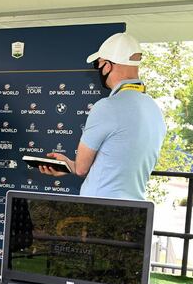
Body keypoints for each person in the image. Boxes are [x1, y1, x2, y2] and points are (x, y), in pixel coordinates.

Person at [39, 32, 166, 200]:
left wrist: (74, 166)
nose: (98, 69)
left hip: (99, 210)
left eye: (98, 64)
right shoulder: (154, 109)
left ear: (107, 65)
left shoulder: (107, 107)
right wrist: (68, 165)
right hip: (134, 210)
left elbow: (82, 169)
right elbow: (115, 165)